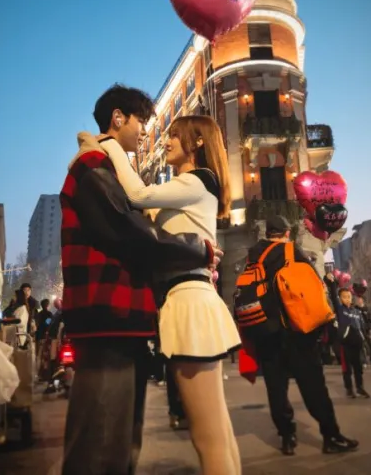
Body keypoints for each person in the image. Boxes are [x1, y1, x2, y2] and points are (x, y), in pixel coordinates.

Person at [60, 84, 219, 475]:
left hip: (121, 319)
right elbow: (128, 230)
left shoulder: (108, 165)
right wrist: (198, 249)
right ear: (118, 119)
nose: (147, 132)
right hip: (106, 317)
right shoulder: (94, 162)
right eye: (142, 121)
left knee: (120, 441)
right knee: (101, 445)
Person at [105, 114, 241, 474]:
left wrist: (110, 147)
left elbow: (137, 195)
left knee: (208, 436)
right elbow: (151, 212)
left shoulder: (196, 182)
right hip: (191, 297)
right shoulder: (189, 189)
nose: (166, 142)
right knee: (219, 431)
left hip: (189, 300)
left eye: (174, 136)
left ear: (196, 142)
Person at [240, 215, 358, 456]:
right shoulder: (291, 250)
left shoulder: (253, 256)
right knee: (314, 386)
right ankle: (330, 435)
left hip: (266, 334)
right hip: (297, 332)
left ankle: (287, 437)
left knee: (276, 388)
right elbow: (314, 286)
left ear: (267, 233)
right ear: (286, 233)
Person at [336, 288, 370, 398]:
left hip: (358, 345)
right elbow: (333, 297)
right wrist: (331, 284)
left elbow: (362, 326)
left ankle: (360, 387)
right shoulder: (340, 310)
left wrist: (364, 338)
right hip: (345, 345)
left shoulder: (357, 311)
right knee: (347, 369)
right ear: (340, 299)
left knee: (358, 368)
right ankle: (349, 389)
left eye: (349, 296)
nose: (347, 299)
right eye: (344, 297)